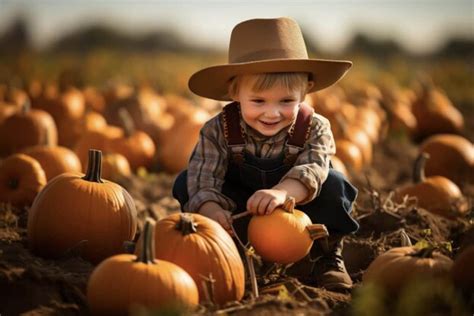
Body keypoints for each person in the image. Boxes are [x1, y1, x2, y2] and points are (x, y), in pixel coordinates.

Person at [172, 17, 359, 292]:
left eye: (286, 101)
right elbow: (204, 177)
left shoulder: (315, 127)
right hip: (240, 212)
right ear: (235, 92)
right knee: (185, 181)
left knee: (335, 183)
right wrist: (211, 209)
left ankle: (325, 257)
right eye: (258, 101)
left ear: (304, 92)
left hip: (297, 211)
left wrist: (283, 192)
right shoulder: (217, 130)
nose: (272, 113)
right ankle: (228, 252)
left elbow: (314, 167)